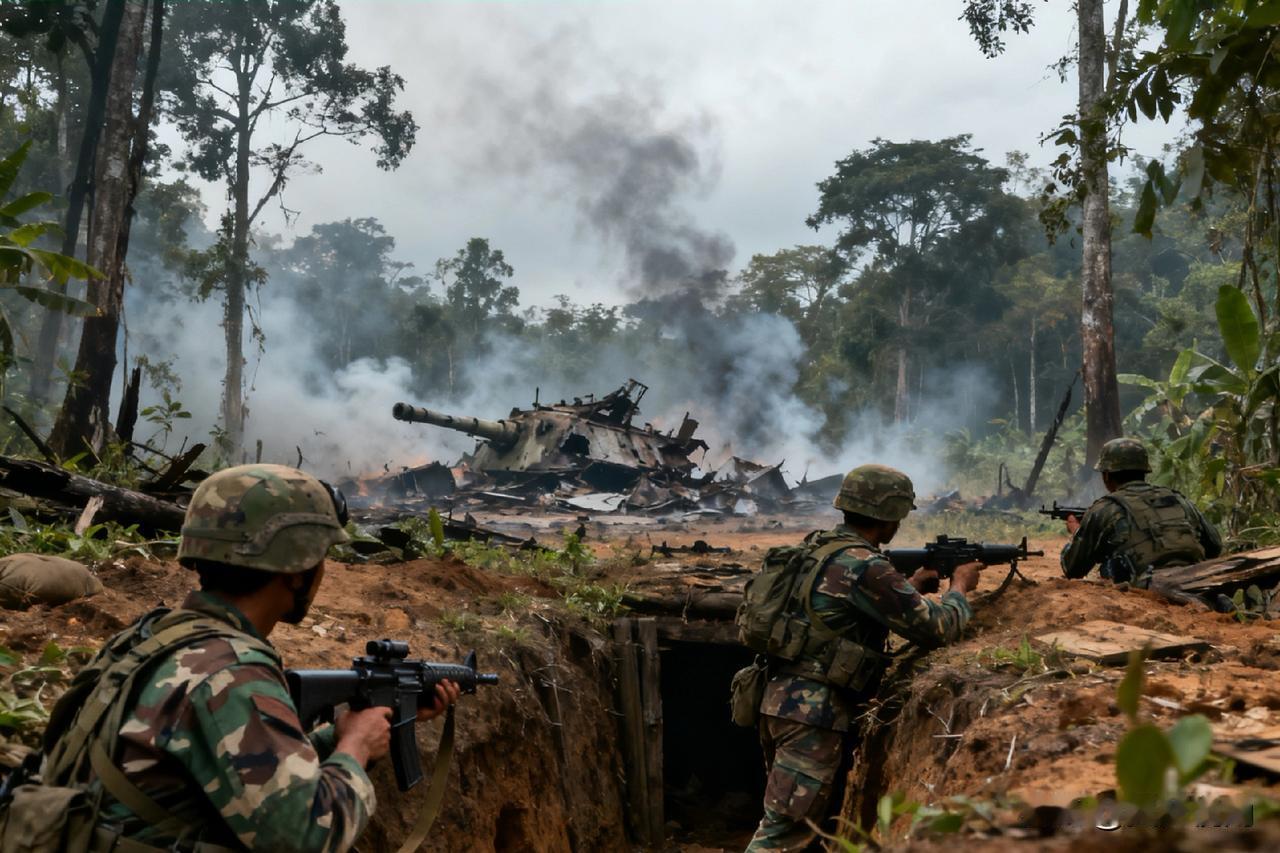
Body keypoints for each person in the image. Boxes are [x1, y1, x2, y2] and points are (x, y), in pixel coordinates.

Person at [37, 464, 460, 852]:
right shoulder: (230, 674)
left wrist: (334, 736)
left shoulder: (152, 636)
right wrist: (355, 748)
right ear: (297, 569)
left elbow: (233, 767)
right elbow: (307, 837)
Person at [745, 464, 982, 852]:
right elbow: (938, 628)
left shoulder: (818, 547)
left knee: (806, 824)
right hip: (812, 713)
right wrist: (959, 587)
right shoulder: (867, 566)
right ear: (889, 515)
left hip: (781, 702)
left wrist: (909, 587)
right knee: (784, 834)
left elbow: (835, 611)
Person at [1060, 438, 1222, 588]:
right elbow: (1215, 546)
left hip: (1147, 588)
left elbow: (1073, 568)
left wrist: (1075, 530)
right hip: (1195, 579)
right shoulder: (1178, 500)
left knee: (1109, 568)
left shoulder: (1104, 509)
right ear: (1144, 471)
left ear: (1107, 475)